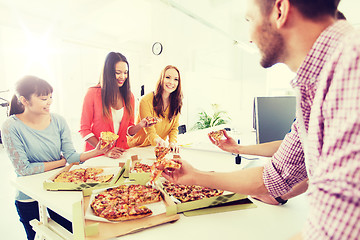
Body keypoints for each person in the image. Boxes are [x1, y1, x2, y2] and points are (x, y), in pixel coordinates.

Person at [163, 0, 360, 239]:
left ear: (280, 10)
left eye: (250, 20)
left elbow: (336, 232)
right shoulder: (316, 83)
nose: (248, 37)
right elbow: (275, 176)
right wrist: (195, 176)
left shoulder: (351, 68)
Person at [1, 76, 111, 240]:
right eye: (44, 98)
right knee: (35, 236)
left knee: (71, 233)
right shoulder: (11, 125)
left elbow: (72, 156)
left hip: (58, 191)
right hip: (29, 195)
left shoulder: (58, 121)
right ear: (24, 100)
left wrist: (95, 151)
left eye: (50, 97)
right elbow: (23, 169)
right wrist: (60, 163)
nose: (49, 102)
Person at [80, 52, 151, 158]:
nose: (123, 77)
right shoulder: (92, 93)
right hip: (98, 155)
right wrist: (106, 150)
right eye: (118, 72)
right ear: (108, 73)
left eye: (125, 73)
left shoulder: (129, 96)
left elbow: (128, 131)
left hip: (121, 154)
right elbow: (84, 129)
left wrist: (140, 125)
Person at [128, 65, 183, 153]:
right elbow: (150, 132)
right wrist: (159, 141)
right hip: (137, 148)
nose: (171, 82)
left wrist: (172, 142)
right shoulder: (145, 101)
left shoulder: (176, 102)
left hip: (157, 147)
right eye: (168, 77)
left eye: (176, 79)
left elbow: (174, 127)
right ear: (161, 78)